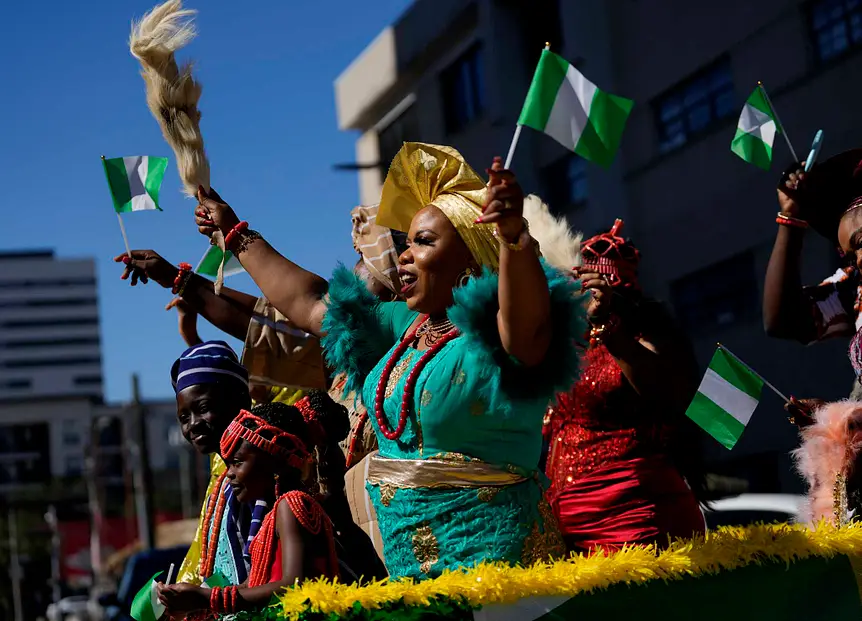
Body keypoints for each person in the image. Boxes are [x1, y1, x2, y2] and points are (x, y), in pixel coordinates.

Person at [172, 142, 585, 579]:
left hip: (504, 580)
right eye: (405, 243)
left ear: (470, 256)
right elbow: (311, 304)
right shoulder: (405, 325)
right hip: (413, 577)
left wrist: (512, 239)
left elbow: (525, 325)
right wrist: (235, 232)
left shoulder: (500, 338)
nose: (404, 254)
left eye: (423, 242)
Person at [545, 219, 707, 553]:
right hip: (563, 522)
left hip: (633, 517)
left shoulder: (648, 338)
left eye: (603, 290)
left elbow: (663, 392)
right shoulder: (569, 344)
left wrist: (608, 326)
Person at [157, 403, 339, 617]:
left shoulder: (291, 505)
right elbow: (251, 584)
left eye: (237, 462)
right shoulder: (274, 513)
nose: (229, 474)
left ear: (275, 462)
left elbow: (293, 585)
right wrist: (198, 604)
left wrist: (208, 598)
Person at [764, 150, 862, 414]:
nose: (859, 262)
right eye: (851, 257)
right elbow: (784, 321)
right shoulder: (856, 289)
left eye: (861, 242)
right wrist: (790, 219)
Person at [169, 340, 253, 585]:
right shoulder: (225, 479)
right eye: (184, 417)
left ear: (241, 400)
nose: (193, 424)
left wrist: (207, 599)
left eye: (203, 408)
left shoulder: (260, 475)